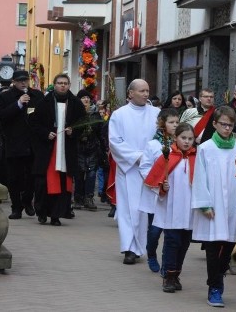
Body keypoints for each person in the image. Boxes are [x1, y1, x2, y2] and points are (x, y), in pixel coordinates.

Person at [191, 106, 236, 308]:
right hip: (213, 205)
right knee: (213, 248)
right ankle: (214, 288)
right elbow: (199, 178)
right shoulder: (205, 149)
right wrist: (204, 204)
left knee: (229, 246)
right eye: (223, 124)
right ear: (214, 124)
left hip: (234, 205)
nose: (227, 128)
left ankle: (217, 277)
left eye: (231, 125)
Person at [108, 79, 160, 264]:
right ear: (130, 93)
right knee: (128, 209)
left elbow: (163, 137)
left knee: (145, 210)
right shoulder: (119, 115)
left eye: (147, 90)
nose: (146, 94)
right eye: (141, 91)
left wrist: (153, 158)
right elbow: (115, 142)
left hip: (151, 169)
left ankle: (143, 246)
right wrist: (138, 157)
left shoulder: (156, 113)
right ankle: (129, 248)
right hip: (129, 168)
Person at [143, 123, 196, 293]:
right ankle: (168, 276)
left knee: (184, 243)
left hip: (188, 210)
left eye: (190, 139)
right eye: (183, 138)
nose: (187, 142)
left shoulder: (196, 158)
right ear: (175, 138)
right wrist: (162, 187)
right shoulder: (167, 157)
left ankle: (176, 273)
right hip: (171, 208)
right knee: (172, 242)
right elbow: (155, 181)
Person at [30, 74, 86, 226]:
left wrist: (73, 131)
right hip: (48, 150)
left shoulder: (75, 103)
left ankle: (56, 215)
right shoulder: (43, 102)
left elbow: (84, 124)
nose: (62, 86)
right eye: (60, 83)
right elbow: (33, 124)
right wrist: (45, 133)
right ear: (54, 85)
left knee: (63, 183)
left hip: (66, 150)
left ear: (69, 85)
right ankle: (42, 212)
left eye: (65, 83)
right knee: (43, 184)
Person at [0, 70, 44, 219]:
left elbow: (43, 116)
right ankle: (16, 207)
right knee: (14, 177)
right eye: (20, 80)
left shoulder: (37, 96)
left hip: (32, 144)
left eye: (26, 80)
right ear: (14, 82)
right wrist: (18, 104)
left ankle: (27, 200)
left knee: (32, 176)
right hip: (14, 143)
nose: (24, 83)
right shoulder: (5, 97)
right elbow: (2, 116)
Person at [138, 108, 179, 273]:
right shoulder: (153, 144)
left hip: (173, 194)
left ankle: (166, 264)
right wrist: (157, 181)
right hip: (156, 194)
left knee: (170, 232)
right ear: (163, 123)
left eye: (177, 122)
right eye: (171, 122)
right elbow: (145, 166)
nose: (175, 125)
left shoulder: (180, 143)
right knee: (155, 230)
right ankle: (151, 253)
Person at [74, 89, 104, 211]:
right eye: (83, 98)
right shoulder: (75, 113)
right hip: (79, 148)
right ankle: (78, 198)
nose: (86, 100)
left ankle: (89, 198)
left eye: (87, 97)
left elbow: (100, 133)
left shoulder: (96, 115)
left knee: (91, 174)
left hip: (92, 149)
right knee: (79, 174)